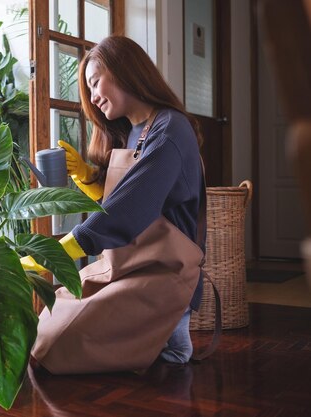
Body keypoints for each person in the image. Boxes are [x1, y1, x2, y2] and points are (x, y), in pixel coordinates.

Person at [21, 35, 206, 374]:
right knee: (45, 326)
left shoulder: (168, 130)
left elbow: (128, 209)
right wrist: (89, 177)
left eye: (94, 83)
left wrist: (52, 256)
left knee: (61, 344)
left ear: (124, 71)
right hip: (128, 265)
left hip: (163, 275)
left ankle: (170, 338)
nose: (92, 98)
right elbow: (120, 199)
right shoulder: (133, 131)